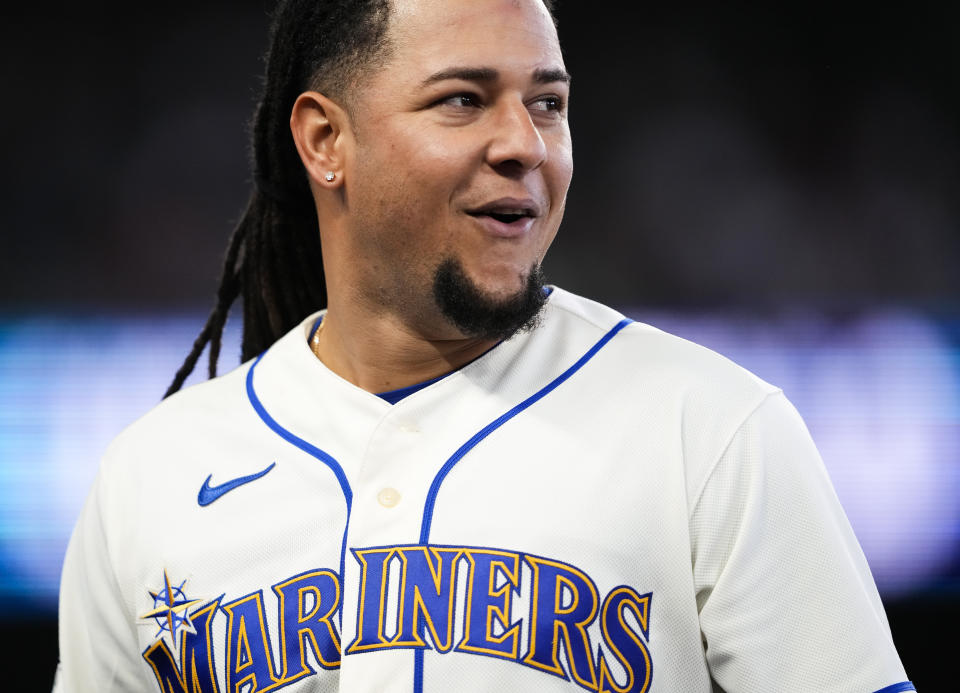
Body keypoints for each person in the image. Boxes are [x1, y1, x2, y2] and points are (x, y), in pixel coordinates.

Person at [55, 0, 915, 691]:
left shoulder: (713, 431)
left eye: (548, 103)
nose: (524, 144)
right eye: (463, 100)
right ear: (326, 140)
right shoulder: (153, 476)